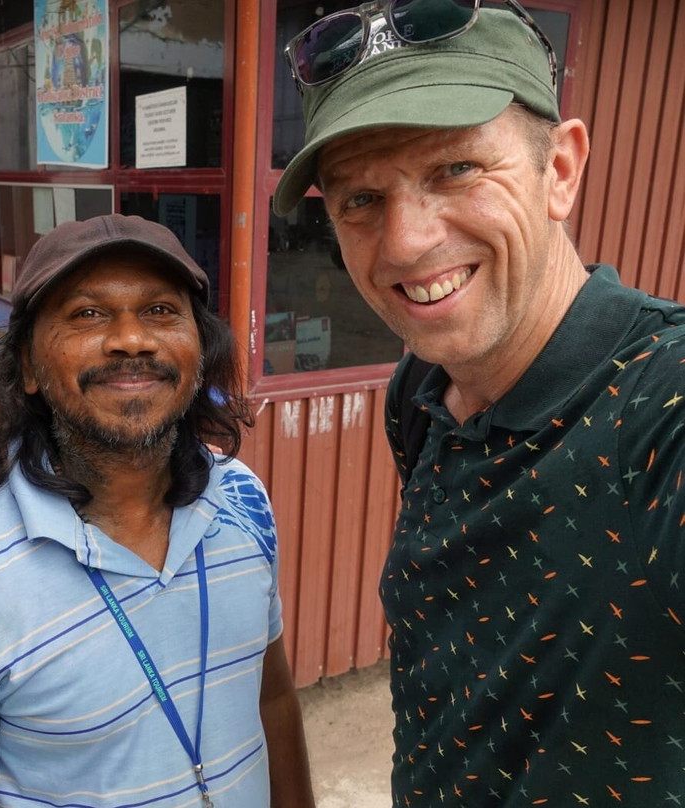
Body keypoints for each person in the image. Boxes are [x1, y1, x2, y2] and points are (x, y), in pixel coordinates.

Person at [274, 2, 685, 806]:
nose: (406, 243)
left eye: (455, 169)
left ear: (559, 170)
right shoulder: (421, 391)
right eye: (361, 200)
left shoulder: (660, 403)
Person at [0, 214, 315, 807]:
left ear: (200, 349)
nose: (132, 339)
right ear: (27, 367)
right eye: (87, 314)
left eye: (160, 310)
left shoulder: (242, 499)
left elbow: (272, 699)